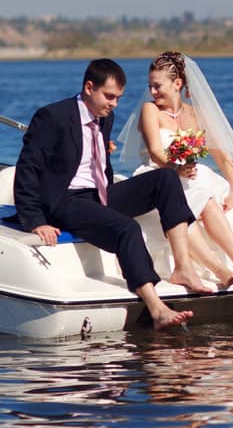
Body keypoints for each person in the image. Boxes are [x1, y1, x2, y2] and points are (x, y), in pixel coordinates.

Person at [13, 58, 206, 330]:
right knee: (126, 228)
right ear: (89, 88)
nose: (114, 104)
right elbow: (27, 170)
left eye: (118, 98)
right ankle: (157, 309)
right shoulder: (52, 117)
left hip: (98, 194)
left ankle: (183, 267)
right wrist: (35, 220)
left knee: (165, 177)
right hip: (64, 201)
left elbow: (97, 162)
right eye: (109, 96)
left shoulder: (105, 116)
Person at [116, 52, 233, 292]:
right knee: (193, 203)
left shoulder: (195, 114)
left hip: (193, 178)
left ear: (178, 84)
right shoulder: (150, 110)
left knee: (208, 200)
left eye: (157, 85)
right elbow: (154, 152)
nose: (152, 91)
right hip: (158, 177)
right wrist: (176, 167)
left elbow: (221, 154)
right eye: (150, 86)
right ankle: (221, 271)